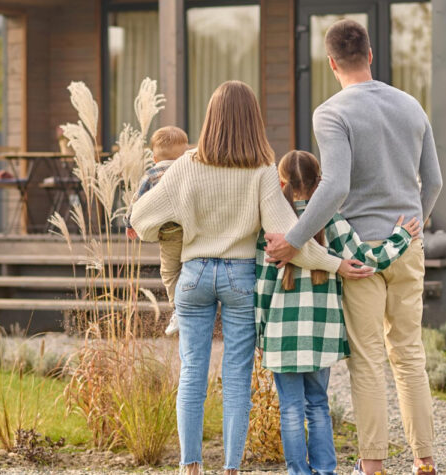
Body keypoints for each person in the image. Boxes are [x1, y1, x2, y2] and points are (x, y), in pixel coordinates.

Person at [130, 81, 373, 475]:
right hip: (240, 279)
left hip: (192, 276)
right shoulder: (261, 172)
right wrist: (336, 264)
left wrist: (177, 232)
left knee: (192, 372)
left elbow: (140, 219)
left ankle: (190, 467)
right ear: (253, 121)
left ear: (210, 120)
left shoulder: (185, 166)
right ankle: (230, 469)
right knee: (237, 378)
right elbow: (289, 241)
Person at [264, 19, 444, 475]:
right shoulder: (410, 105)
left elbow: (336, 186)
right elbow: (435, 181)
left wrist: (294, 239)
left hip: (358, 253)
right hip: (407, 245)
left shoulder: (330, 112)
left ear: (330, 63)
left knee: (367, 361)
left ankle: (375, 465)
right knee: (409, 354)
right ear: (368, 55)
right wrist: (416, 224)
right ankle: (424, 458)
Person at [255, 150, 420, 475]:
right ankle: (325, 470)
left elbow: (262, 287)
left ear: (281, 181)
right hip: (322, 334)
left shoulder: (272, 224)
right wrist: (402, 237)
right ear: (321, 183)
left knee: (289, 409)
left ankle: (298, 472)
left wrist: (260, 335)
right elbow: (366, 259)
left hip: (281, 336)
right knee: (317, 404)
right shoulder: (331, 220)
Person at [125, 125, 189, 336]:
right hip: (192, 230)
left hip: (169, 234)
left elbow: (136, 202)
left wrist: (129, 223)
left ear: (154, 157)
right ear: (185, 153)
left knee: (170, 272)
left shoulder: (151, 175)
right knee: (190, 267)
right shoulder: (189, 170)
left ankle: (179, 309)